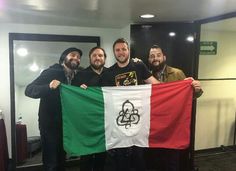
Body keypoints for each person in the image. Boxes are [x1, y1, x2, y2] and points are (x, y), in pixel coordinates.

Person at [101, 38, 160, 171]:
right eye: (117, 50)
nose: (121, 52)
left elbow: (156, 85)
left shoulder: (138, 66)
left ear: (128, 51)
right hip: (119, 123)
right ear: (114, 53)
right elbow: (100, 96)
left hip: (139, 120)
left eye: (124, 49)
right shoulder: (109, 73)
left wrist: (180, 86)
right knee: (121, 159)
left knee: (139, 157)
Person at [25, 47, 83, 171]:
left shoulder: (76, 77)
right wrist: (48, 86)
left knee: (62, 159)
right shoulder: (51, 72)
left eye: (78, 57)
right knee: (51, 162)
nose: (76, 58)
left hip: (66, 125)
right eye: (73, 55)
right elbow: (29, 90)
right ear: (64, 58)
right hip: (50, 125)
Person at [147, 44, 203, 171]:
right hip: (154, 129)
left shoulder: (177, 73)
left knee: (171, 163)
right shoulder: (145, 77)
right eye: (152, 56)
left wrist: (197, 89)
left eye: (158, 55)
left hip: (172, 128)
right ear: (149, 60)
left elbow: (189, 95)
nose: (155, 58)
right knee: (154, 163)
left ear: (164, 57)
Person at [73, 46, 108, 171]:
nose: (97, 58)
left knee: (102, 156)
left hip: (105, 122)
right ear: (90, 58)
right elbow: (72, 97)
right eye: (94, 55)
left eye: (100, 55)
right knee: (86, 157)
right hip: (86, 123)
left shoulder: (111, 74)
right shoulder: (80, 75)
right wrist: (79, 91)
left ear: (104, 58)